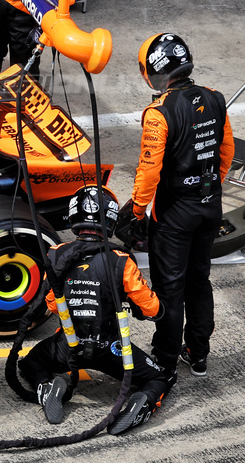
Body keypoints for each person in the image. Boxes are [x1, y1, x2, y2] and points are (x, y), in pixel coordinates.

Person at [17, 185, 174, 434]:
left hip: (67, 345)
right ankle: (141, 404)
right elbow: (152, 308)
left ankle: (48, 387)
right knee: (159, 377)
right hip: (110, 349)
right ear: (110, 218)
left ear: (73, 215)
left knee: (29, 363)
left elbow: (49, 304)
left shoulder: (57, 254)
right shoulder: (121, 259)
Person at [131, 33, 233, 378]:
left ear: (156, 71)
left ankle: (165, 357)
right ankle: (199, 353)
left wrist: (135, 211)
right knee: (199, 280)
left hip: (174, 214)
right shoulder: (216, 99)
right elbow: (227, 153)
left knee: (170, 288)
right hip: (209, 205)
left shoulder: (159, 113)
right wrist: (208, 185)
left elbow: (149, 171)